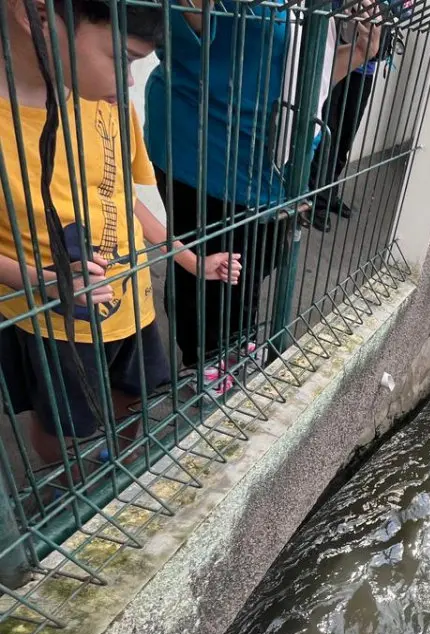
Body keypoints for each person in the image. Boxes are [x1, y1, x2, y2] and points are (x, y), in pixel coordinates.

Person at [0, 0, 242, 465]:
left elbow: (123, 198)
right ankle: (68, 492)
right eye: (123, 58)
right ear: (34, 13)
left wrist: (191, 260)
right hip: (53, 321)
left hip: (132, 303)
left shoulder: (107, 102)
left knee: (136, 403)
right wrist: (48, 282)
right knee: (61, 425)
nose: (130, 82)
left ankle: (123, 474)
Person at [145, 0, 380, 380]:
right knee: (208, 267)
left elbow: (303, 77)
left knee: (253, 262)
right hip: (206, 150)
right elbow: (183, 36)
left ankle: (232, 348)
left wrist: (355, 54)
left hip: (272, 159)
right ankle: (203, 363)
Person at [308, 0, 410, 230]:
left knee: (346, 136)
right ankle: (315, 201)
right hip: (340, 53)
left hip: (367, 66)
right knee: (327, 133)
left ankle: (329, 192)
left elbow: (404, 14)